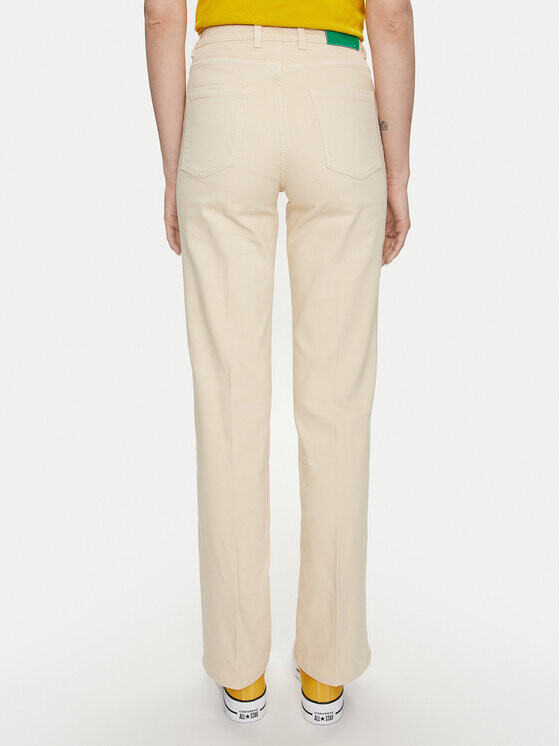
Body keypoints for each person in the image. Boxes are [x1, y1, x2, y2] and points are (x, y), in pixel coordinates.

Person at [145, 0, 414, 726]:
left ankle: (240, 673)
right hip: (338, 91)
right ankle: (326, 669)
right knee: (338, 405)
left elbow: (162, 16)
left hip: (224, 95)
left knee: (228, 401)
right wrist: (396, 174)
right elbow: (390, 18)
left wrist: (174, 169)